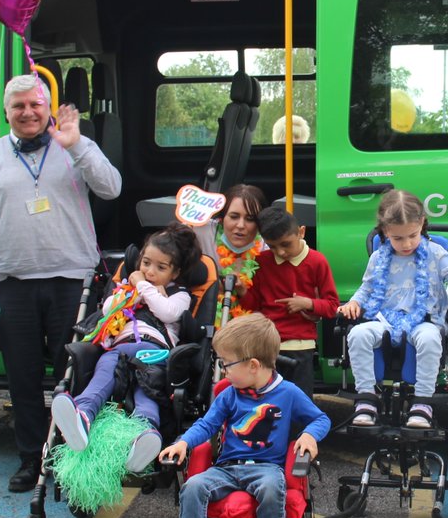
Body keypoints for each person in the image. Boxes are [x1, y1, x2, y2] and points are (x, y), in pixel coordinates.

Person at [0, 74, 122, 492]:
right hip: (12, 284)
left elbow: (112, 187)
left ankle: (72, 463)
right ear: (6, 112)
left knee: (74, 377)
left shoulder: (73, 146)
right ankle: (32, 458)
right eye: (18, 106)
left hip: (73, 281)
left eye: (35, 104)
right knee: (23, 378)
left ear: (48, 107)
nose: (28, 112)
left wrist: (77, 144)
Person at [158, 313, 330, 518]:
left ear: (252, 365)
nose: (224, 370)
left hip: (266, 468)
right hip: (227, 468)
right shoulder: (229, 394)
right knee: (193, 486)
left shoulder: (288, 393)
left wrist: (309, 435)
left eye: (227, 363)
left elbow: (320, 419)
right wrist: (183, 442)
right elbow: (207, 424)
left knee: (273, 488)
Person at [51, 223, 201, 472]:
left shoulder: (179, 295)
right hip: (121, 349)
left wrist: (144, 287)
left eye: (160, 267)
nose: (150, 271)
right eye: (145, 263)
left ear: (175, 273)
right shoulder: (127, 290)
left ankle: (113, 422)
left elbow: (167, 312)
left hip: (155, 352)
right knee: (122, 383)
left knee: (141, 385)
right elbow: (108, 309)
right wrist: (130, 291)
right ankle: (107, 422)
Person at [338, 189, 448, 428]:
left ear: (422, 223)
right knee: (357, 334)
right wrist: (354, 302)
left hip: (424, 319)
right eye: (398, 238)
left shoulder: (435, 253)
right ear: (385, 232)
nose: (407, 244)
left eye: (412, 236)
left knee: (430, 337)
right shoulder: (380, 257)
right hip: (385, 320)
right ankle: (367, 399)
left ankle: (423, 402)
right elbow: (367, 288)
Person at [239, 206, 340, 399]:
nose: (281, 252)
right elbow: (252, 304)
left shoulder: (317, 261)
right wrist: (242, 289)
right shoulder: (261, 261)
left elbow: (332, 305)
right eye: (273, 246)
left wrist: (308, 303)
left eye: (286, 244)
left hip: (300, 346)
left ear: (301, 232)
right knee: (267, 402)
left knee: (299, 402)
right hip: (267, 345)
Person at [193, 184, 268, 326]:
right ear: (221, 218)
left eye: (250, 219)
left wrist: (242, 291)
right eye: (234, 216)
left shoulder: (265, 249)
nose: (240, 225)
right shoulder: (200, 230)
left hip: (245, 326)